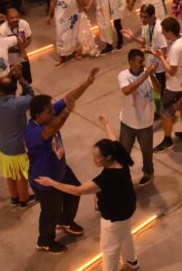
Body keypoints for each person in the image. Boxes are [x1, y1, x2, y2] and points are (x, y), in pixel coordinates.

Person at [36, 116, 139, 271]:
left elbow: (78, 190)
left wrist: (52, 183)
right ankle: (132, 261)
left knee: (109, 249)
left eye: (97, 157)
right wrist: (106, 125)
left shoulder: (107, 178)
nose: (94, 160)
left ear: (108, 157)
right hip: (127, 209)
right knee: (125, 234)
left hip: (114, 217)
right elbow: (114, 141)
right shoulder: (120, 157)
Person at [26, 67, 99, 253]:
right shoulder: (33, 132)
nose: (53, 113)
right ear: (37, 115)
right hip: (46, 180)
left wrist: (87, 83)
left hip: (61, 169)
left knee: (75, 192)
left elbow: (69, 98)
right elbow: (52, 129)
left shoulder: (47, 116)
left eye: (53, 110)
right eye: (49, 112)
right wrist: (66, 112)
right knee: (50, 212)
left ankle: (65, 221)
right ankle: (44, 241)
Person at [0, 68, 37, 208]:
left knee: (9, 173)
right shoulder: (17, 104)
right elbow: (31, 95)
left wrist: (8, 75)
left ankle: (14, 197)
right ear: (14, 90)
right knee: (21, 175)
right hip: (17, 147)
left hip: (1, 146)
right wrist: (21, 79)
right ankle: (24, 200)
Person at [116, 49, 157, 186]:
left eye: (143, 61)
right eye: (140, 61)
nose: (143, 64)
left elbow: (158, 93)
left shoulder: (147, 74)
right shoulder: (123, 75)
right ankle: (122, 176)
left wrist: (152, 76)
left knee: (147, 152)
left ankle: (148, 172)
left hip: (146, 123)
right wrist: (144, 77)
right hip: (128, 123)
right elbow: (126, 91)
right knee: (123, 153)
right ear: (131, 62)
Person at [151, 17, 182, 152]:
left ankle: (168, 140)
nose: (162, 33)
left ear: (169, 32)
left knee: (165, 113)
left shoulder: (175, 48)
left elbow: (172, 72)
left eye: (163, 31)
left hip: (174, 86)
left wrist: (161, 57)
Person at [0, 7, 33, 83]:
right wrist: (20, 49)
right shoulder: (2, 30)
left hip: (22, 56)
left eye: (17, 17)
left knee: (27, 80)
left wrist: (21, 49)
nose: (15, 20)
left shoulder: (24, 24)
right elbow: (1, 48)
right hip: (9, 60)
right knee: (12, 83)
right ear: (7, 18)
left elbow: (29, 38)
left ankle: (26, 90)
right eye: (12, 18)